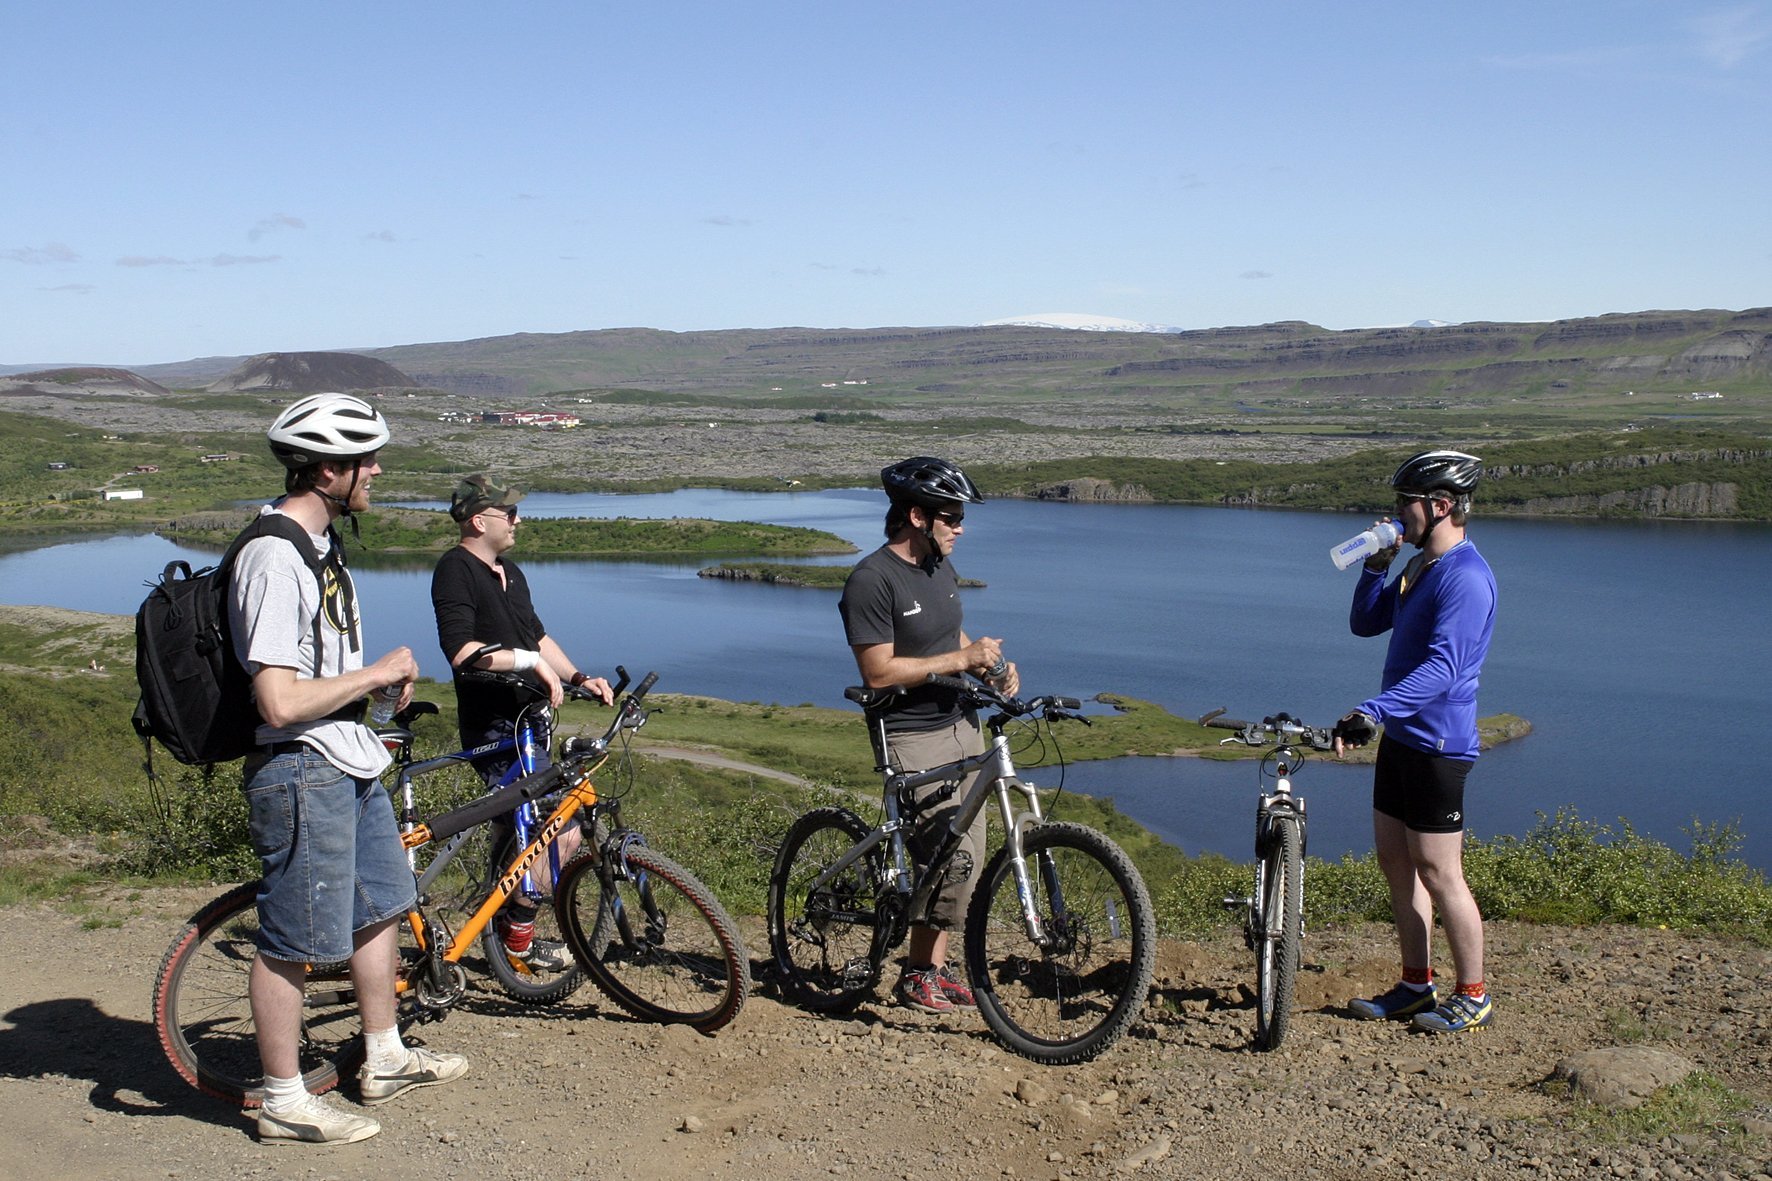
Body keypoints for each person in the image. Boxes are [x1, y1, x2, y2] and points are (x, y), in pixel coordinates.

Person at [231, 393, 467, 1144]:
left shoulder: (321, 545)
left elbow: (314, 671)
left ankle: (385, 1053)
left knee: (381, 905)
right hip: (302, 768)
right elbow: (275, 699)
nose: (377, 470)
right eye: (365, 460)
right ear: (326, 469)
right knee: (294, 938)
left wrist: (370, 677)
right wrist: (373, 676)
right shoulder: (274, 554)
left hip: (344, 756)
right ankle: (280, 1096)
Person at [837, 456, 1019, 1014]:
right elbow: (878, 671)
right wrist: (961, 656)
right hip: (912, 733)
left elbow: (947, 633)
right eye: (950, 516)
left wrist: (988, 668)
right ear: (916, 516)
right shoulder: (872, 580)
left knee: (965, 855)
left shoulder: (940, 568)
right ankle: (918, 974)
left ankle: (927, 970)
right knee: (948, 855)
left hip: (963, 723)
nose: (960, 526)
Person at [1333, 449, 1498, 1035]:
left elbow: (1445, 669)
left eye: (1406, 502)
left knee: (1439, 870)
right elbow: (1367, 622)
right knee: (1396, 862)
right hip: (1403, 740)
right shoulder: (1421, 567)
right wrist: (1376, 565)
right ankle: (1414, 984)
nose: (1397, 513)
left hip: (1438, 746)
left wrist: (1372, 710)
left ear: (1441, 505)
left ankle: (1473, 994)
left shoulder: (1467, 577)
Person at [430, 474, 613, 969]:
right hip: (494, 726)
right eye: (508, 513)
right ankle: (516, 944)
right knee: (558, 828)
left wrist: (577, 676)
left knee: (526, 830)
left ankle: (498, 934)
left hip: (530, 724)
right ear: (478, 519)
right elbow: (463, 653)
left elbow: (537, 636)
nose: (518, 520)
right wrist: (529, 664)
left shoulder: (510, 571)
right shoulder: (455, 569)